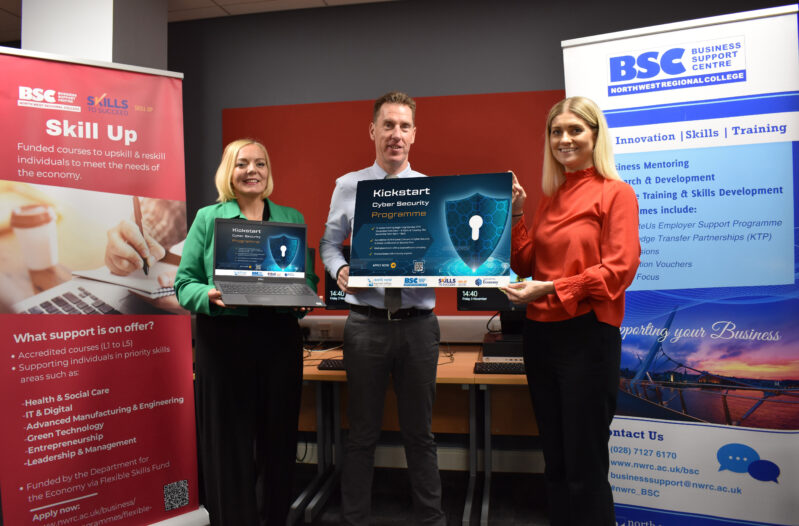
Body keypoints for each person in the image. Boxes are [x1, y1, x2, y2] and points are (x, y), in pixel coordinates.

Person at [501, 96, 640, 526]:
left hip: (586, 338)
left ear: (594, 136)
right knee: (556, 463)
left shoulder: (616, 194)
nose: (564, 139)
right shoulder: (552, 198)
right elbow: (526, 263)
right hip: (541, 338)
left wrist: (554, 287)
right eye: (556, 131)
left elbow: (618, 270)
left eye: (575, 130)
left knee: (585, 469)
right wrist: (519, 212)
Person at [174, 139, 318, 526]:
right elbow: (183, 283)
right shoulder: (208, 217)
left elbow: (306, 277)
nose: (252, 170)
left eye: (260, 164)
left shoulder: (290, 216)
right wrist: (207, 293)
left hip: (278, 340)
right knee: (229, 446)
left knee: (278, 439)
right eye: (242, 164)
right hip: (224, 342)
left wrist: (305, 296)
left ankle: (274, 518)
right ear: (229, 172)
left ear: (268, 172)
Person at [320, 92, 446, 526]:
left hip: (418, 327)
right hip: (366, 325)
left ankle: (431, 520)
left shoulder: (433, 191)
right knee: (361, 436)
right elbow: (329, 244)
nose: (396, 134)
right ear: (372, 131)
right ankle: (355, 520)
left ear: (414, 134)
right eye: (388, 125)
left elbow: (445, 255)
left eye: (404, 126)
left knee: (421, 436)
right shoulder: (348, 186)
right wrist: (338, 270)